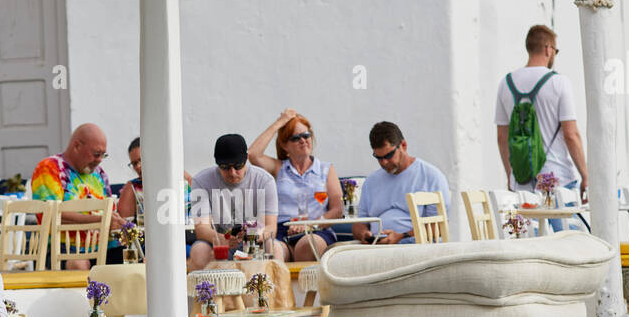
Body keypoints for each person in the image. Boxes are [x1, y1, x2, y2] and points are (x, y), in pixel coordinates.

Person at [494, 25, 590, 233]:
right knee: (569, 241)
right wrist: (585, 174)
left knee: (527, 242)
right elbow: (571, 134)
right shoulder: (558, 82)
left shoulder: (506, 84)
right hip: (557, 179)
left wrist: (512, 175)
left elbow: (502, 137)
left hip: (521, 183)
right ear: (548, 49)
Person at [249, 109, 343, 261]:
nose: (303, 140)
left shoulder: (325, 169)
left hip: (316, 230)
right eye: (296, 137)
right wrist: (280, 122)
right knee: (272, 248)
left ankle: (306, 285)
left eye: (306, 135)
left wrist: (310, 225)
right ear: (285, 145)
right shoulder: (279, 168)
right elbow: (253, 154)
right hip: (282, 230)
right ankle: (277, 285)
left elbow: (337, 209)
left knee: (308, 244)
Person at [32, 123, 124, 270]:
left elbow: (111, 213)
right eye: (96, 154)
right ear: (76, 146)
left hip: (102, 248)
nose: (100, 159)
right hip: (62, 251)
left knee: (135, 260)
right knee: (79, 264)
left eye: (103, 155)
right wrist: (101, 221)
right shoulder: (49, 168)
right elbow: (50, 216)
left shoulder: (99, 173)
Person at [188, 133, 285, 269]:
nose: (232, 172)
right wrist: (222, 239)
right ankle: (204, 290)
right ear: (216, 163)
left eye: (238, 166)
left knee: (274, 247)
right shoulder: (201, 181)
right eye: (225, 167)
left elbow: (271, 228)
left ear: (246, 158)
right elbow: (201, 229)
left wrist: (253, 237)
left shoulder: (264, 180)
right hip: (219, 242)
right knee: (199, 252)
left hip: (255, 241)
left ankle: (273, 290)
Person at [353, 122, 451, 244]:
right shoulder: (371, 182)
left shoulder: (431, 176)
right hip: (377, 247)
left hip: (416, 246)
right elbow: (359, 224)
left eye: (388, 155)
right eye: (378, 157)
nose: (383, 162)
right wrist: (364, 234)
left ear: (403, 145)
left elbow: (439, 226)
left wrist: (402, 236)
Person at [116, 137, 193, 223]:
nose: (138, 166)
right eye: (134, 163)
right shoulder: (132, 188)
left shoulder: (181, 176)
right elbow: (123, 226)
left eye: (141, 160)